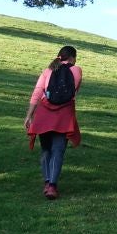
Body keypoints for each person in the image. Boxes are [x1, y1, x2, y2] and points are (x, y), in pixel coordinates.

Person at [24, 45, 82, 200]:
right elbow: (74, 92)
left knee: (46, 150)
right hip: (64, 113)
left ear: (58, 56)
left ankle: (47, 182)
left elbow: (37, 92)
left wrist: (29, 115)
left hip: (44, 113)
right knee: (58, 150)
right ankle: (52, 186)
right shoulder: (76, 70)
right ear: (73, 58)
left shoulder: (47, 70)